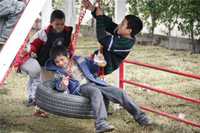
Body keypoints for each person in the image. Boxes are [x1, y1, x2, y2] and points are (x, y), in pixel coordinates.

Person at [45, 45, 152, 133]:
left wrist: (99, 62)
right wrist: (63, 84)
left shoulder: (80, 60)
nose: (60, 63)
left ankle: (142, 118)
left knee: (119, 92)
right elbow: (58, 86)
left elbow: (94, 67)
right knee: (95, 92)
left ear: (68, 56)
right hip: (81, 88)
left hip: (95, 82)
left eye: (62, 59)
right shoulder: (59, 72)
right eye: (57, 62)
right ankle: (100, 123)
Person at [20, 9, 73, 107]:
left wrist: (70, 54)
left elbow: (69, 46)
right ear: (51, 23)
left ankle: (57, 98)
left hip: (57, 61)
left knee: (56, 79)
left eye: (62, 24)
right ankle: (32, 97)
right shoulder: (44, 32)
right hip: (42, 60)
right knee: (37, 80)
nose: (60, 27)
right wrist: (32, 51)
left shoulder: (67, 32)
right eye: (57, 24)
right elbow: (34, 44)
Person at [83, 0, 143, 75]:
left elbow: (102, 39)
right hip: (97, 59)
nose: (119, 25)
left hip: (102, 68)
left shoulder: (125, 43)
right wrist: (92, 8)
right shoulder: (122, 33)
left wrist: (99, 17)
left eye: (122, 24)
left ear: (129, 31)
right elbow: (108, 24)